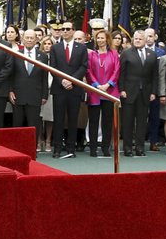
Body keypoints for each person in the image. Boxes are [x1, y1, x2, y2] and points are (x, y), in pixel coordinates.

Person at [50, 21, 88, 158]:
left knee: (73, 119)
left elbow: (84, 66)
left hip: (75, 88)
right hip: (59, 88)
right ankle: (57, 148)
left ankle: (71, 148)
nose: (64, 31)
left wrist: (72, 80)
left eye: (67, 29)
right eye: (62, 29)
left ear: (73, 30)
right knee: (58, 119)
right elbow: (52, 67)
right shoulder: (56, 48)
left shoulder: (81, 48)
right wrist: (62, 81)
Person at [119, 30, 158, 157]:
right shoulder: (126, 53)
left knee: (142, 122)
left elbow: (154, 76)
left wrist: (153, 92)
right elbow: (122, 74)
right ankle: (128, 148)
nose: (137, 40)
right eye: (135, 38)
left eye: (140, 39)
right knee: (128, 121)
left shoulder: (152, 54)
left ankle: (140, 148)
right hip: (129, 92)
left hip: (145, 93)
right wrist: (122, 90)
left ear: (145, 40)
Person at [9, 29, 48, 148]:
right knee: (17, 124)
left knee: (33, 125)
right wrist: (10, 91)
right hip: (18, 95)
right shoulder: (16, 54)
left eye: (32, 38)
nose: (30, 40)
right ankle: (17, 148)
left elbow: (44, 77)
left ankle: (32, 149)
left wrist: (44, 95)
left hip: (35, 95)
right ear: (22, 39)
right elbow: (10, 74)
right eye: (27, 38)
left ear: (36, 40)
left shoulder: (43, 56)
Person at [86, 29, 120, 157]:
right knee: (93, 120)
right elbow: (88, 71)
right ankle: (93, 148)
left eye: (102, 38)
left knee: (107, 121)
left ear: (107, 39)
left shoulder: (114, 54)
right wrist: (97, 85)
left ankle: (106, 147)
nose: (100, 40)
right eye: (98, 38)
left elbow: (116, 71)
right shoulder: (91, 55)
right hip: (95, 91)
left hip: (110, 91)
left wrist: (107, 85)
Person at [38, 36, 56, 152]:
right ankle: (39, 140)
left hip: (52, 89)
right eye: (45, 43)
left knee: (50, 117)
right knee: (39, 117)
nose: (47, 46)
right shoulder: (38, 56)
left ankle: (48, 140)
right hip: (39, 90)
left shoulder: (56, 57)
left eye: (50, 43)